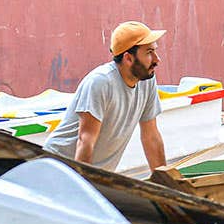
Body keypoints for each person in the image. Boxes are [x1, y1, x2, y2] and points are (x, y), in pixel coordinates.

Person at [44, 21, 168, 172]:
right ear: (128, 58)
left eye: (155, 51)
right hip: (58, 169)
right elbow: (86, 141)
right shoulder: (101, 82)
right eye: (149, 52)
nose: (157, 59)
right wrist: (83, 188)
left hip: (96, 175)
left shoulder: (146, 81)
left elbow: (151, 137)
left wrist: (167, 181)